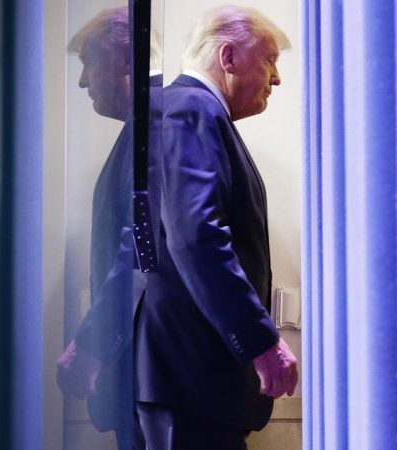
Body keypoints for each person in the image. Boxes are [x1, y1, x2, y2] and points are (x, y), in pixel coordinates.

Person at [135, 6, 298, 449]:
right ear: (228, 57)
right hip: (191, 383)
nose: (277, 78)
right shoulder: (193, 108)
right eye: (270, 60)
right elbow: (196, 236)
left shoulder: (190, 111)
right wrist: (260, 341)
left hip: (188, 384)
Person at [56, 8, 163, 450]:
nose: (83, 81)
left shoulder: (154, 125)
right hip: (147, 379)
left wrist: (91, 345)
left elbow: (143, 250)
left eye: (88, 61)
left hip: (155, 382)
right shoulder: (143, 127)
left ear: (125, 60)